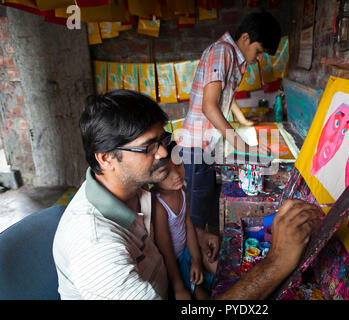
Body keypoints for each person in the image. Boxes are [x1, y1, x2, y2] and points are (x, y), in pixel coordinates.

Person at [53, 89, 322, 300]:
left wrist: (196, 235)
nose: (162, 153)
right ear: (106, 158)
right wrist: (276, 263)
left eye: (162, 140)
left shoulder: (132, 186)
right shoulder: (94, 248)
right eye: (147, 148)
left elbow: (160, 233)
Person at [177, 10, 282, 267]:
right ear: (245, 38)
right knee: (197, 217)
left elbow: (227, 94)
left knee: (208, 208)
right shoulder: (223, 52)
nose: (258, 59)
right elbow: (210, 106)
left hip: (206, 145)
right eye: (258, 51)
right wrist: (244, 147)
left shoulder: (234, 59)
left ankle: (207, 261)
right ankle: (195, 272)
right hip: (195, 148)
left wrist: (243, 121)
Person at [153, 145, 217, 300]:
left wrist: (196, 260)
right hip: (173, 263)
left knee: (217, 265)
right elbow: (166, 251)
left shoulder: (181, 191)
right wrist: (179, 287)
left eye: (178, 165)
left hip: (188, 250)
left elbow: (189, 226)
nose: (177, 175)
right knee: (199, 294)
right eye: (166, 172)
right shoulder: (159, 205)